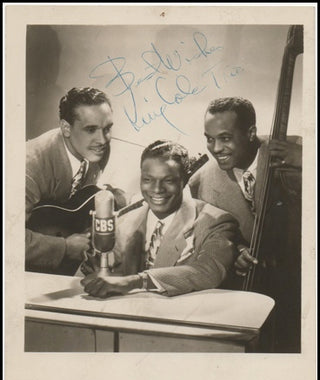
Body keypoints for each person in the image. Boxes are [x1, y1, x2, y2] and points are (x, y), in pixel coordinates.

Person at [189, 97, 302, 351]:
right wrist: (236, 252)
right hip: (254, 295)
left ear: (250, 132)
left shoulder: (297, 150)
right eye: (209, 138)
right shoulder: (201, 180)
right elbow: (214, 236)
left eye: (225, 138)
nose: (216, 148)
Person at [81, 140, 239, 298]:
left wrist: (135, 282)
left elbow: (207, 271)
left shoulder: (217, 222)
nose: (157, 190)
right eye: (148, 180)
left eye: (168, 180)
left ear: (183, 181)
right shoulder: (123, 221)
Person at [25, 87, 126, 275]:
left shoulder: (96, 149)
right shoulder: (28, 166)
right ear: (66, 128)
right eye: (90, 129)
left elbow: (77, 201)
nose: (103, 140)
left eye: (107, 128)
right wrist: (64, 247)